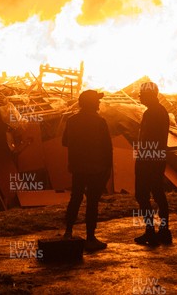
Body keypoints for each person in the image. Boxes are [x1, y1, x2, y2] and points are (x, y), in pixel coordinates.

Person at [62, 90, 113, 251]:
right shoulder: (100, 121)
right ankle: (90, 238)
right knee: (92, 202)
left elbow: (64, 142)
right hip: (96, 168)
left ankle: (68, 232)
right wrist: (107, 168)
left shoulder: (72, 120)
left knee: (75, 199)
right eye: (97, 101)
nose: (99, 103)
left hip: (78, 167)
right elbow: (107, 148)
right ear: (92, 103)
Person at [134, 81, 172, 246]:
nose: (139, 97)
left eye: (142, 94)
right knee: (158, 193)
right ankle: (163, 231)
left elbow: (147, 138)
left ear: (149, 95)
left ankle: (151, 231)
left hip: (149, 158)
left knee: (142, 194)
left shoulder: (152, 113)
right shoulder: (160, 111)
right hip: (156, 156)